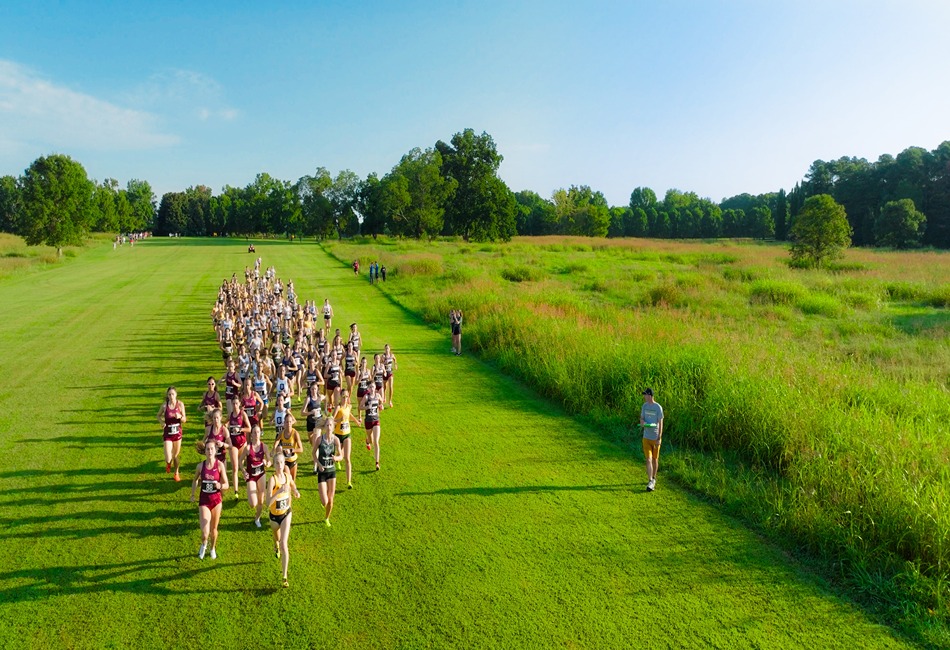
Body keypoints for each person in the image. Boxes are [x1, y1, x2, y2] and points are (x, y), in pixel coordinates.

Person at [191, 438, 229, 559]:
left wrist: (220, 486)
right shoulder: (200, 466)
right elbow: (195, 480)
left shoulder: (220, 465)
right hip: (204, 501)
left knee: (213, 530)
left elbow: (227, 484)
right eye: (208, 449)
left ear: (216, 450)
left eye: (212, 449)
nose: (210, 451)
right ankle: (204, 544)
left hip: (216, 501)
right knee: (205, 533)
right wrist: (193, 494)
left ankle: (212, 548)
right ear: (205, 451)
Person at [267, 452, 301, 588]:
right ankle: (275, 545)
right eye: (277, 463)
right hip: (274, 517)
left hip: (286, 513)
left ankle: (284, 576)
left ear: (284, 463)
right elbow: (268, 502)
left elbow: (293, 485)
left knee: (284, 543)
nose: (280, 465)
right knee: (277, 538)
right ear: (274, 465)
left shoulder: (287, 476)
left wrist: (296, 491)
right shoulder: (272, 480)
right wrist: (278, 491)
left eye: (282, 462)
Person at [240, 424, 270, 527]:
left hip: (261, 474)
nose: (256, 434)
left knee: (261, 500)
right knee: (253, 504)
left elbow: (269, 461)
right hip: (251, 476)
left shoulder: (264, 446)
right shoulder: (248, 448)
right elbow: (240, 461)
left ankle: (257, 518)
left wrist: (267, 463)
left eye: (258, 432)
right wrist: (244, 471)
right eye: (254, 432)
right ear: (251, 435)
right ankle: (251, 492)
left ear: (260, 433)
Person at [315, 419, 344, 526]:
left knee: (331, 500)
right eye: (327, 425)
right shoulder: (319, 439)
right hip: (322, 472)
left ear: (333, 427)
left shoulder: (336, 439)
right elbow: (313, 453)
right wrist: (318, 464)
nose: (329, 427)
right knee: (325, 501)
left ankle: (327, 518)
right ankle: (323, 502)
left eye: (331, 425)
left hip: (331, 471)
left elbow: (341, 456)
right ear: (324, 427)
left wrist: (336, 458)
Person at [332, 389, 361, 489]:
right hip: (338, 435)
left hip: (347, 434)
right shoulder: (338, 408)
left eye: (347, 396)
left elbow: (349, 415)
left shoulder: (349, 406)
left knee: (347, 458)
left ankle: (349, 481)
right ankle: (337, 460)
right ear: (340, 397)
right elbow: (331, 421)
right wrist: (339, 420)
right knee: (339, 453)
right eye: (343, 396)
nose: (345, 398)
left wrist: (356, 421)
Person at [158, 386, 186, 481]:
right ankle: (168, 463)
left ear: (176, 394)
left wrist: (180, 416)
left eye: (173, 394)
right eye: (169, 394)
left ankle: (176, 473)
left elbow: (184, 419)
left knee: (175, 456)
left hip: (177, 434)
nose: (171, 396)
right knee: (168, 457)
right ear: (167, 395)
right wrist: (162, 422)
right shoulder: (164, 405)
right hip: (168, 434)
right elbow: (158, 416)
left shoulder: (180, 404)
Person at [640, 388, 664, 492]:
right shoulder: (644, 406)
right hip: (646, 437)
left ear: (650, 395)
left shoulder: (658, 407)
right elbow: (642, 418)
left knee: (654, 459)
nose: (644, 396)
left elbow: (661, 423)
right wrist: (642, 422)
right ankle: (650, 480)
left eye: (645, 395)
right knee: (648, 459)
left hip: (655, 438)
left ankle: (654, 477)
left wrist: (659, 437)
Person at [360, 382, 384, 471]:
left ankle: (377, 463)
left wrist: (381, 406)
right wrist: (367, 407)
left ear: (375, 387)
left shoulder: (377, 396)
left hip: (376, 420)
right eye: (370, 387)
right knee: (371, 440)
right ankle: (367, 440)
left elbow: (381, 402)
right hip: (368, 421)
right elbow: (360, 407)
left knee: (376, 442)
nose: (372, 388)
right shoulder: (366, 397)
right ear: (368, 389)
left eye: (373, 387)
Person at [274, 413, 303, 481]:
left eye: (290, 422)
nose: (288, 424)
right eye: (287, 422)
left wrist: (291, 450)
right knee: (288, 479)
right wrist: (274, 448)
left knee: (293, 482)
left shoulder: (295, 433)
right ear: (284, 423)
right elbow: (277, 440)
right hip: (285, 460)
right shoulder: (281, 432)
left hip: (293, 460)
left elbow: (301, 449)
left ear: (292, 422)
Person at [382, 344, 398, 408]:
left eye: (388, 348)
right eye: (386, 348)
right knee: (385, 386)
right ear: (384, 349)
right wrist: (384, 363)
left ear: (389, 349)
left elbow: (395, 359)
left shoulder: (392, 355)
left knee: (391, 386)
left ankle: (390, 401)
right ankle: (384, 397)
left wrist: (395, 364)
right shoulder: (383, 356)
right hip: (385, 373)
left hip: (390, 372)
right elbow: (380, 363)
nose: (387, 350)